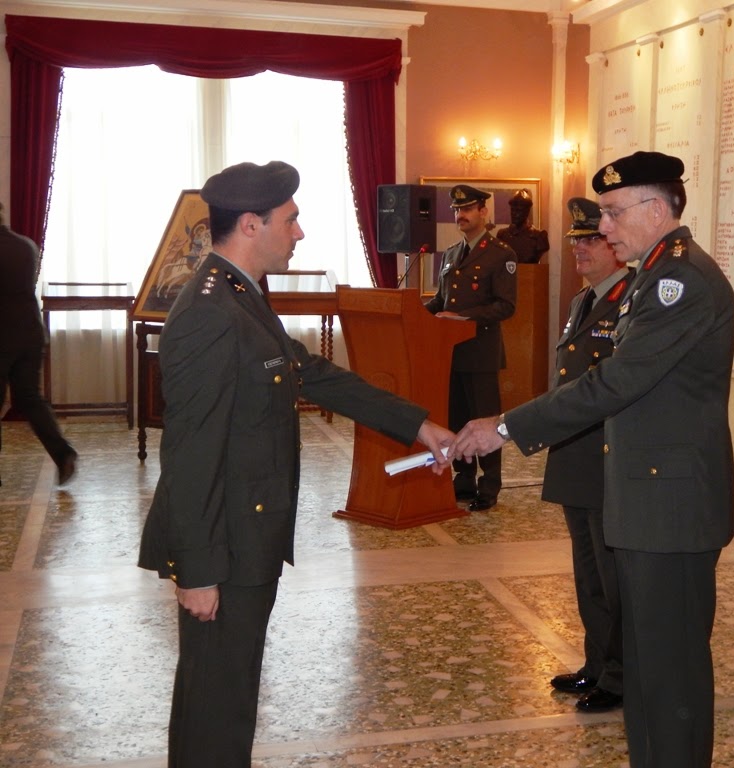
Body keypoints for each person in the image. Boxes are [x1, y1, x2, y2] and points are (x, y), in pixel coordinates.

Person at [138, 160, 453, 768]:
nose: (299, 232)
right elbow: (191, 454)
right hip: (225, 544)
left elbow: (308, 371)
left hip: (246, 534)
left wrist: (415, 423)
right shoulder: (210, 312)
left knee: (227, 693)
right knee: (216, 699)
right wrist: (197, 571)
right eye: (291, 219)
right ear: (250, 225)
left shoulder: (240, 295)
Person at [452, 151, 734, 767]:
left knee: (670, 671)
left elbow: (615, 382)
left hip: (671, 507)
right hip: (648, 499)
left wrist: (505, 426)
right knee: (649, 665)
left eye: (612, 212)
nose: (602, 228)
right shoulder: (655, 274)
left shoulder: (680, 280)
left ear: (655, 209)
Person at [545, 197, 632, 714]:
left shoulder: (630, 300)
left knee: (612, 576)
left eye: (591, 239)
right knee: (587, 573)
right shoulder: (584, 300)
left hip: (605, 458)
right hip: (575, 457)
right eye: (576, 239)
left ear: (615, 246)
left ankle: (619, 676)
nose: (579, 248)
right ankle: (597, 663)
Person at [424, 185, 517, 512]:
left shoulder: (501, 254)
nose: (460, 215)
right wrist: (415, 313)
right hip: (451, 353)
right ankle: (463, 480)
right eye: (456, 210)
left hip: (480, 353)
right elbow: (441, 301)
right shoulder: (451, 254)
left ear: (483, 211)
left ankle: (489, 485)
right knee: (458, 419)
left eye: (466, 209)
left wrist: (462, 317)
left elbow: (506, 306)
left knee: (484, 420)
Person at [0, 202, 77, 486]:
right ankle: (63, 453)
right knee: (30, 398)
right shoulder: (27, 246)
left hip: (2, 336)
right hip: (31, 333)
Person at [496, 188, 549, 264]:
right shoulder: (502, 235)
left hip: (529, 271)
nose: (514, 214)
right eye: (512, 210)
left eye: (518, 210)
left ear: (527, 212)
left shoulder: (539, 236)